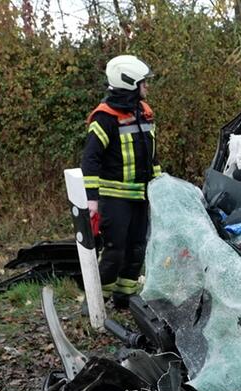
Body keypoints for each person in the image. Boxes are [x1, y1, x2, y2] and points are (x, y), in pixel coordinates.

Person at [81, 54, 161, 305]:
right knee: (115, 251)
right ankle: (95, 304)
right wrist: (92, 199)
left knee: (138, 249)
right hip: (114, 198)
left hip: (141, 195)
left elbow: (152, 155)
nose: (146, 87)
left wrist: (160, 188)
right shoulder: (105, 117)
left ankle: (125, 299)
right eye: (143, 82)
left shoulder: (144, 113)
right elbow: (90, 160)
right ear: (129, 83)